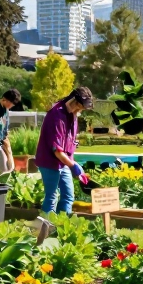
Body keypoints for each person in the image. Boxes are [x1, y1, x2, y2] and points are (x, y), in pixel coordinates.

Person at [32, 86, 93, 242]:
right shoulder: (56, 115)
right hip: (49, 161)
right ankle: (42, 233)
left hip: (64, 162)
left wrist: (73, 162)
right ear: (74, 101)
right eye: (80, 107)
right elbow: (57, 151)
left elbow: (69, 142)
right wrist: (73, 166)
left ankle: (60, 229)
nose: (81, 110)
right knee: (52, 196)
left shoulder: (73, 114)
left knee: (67, 196)